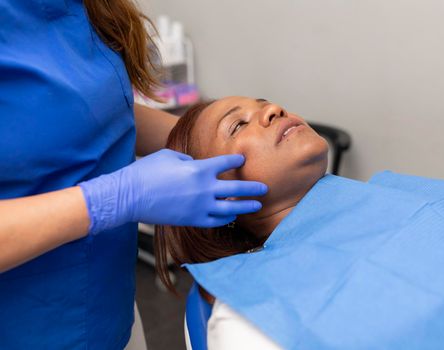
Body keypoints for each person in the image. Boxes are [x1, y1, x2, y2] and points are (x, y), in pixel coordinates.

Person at [155, 96, 444, 349]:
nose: (272, 110)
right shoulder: (254, 316)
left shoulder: (403, 195)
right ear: (216, 192)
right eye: (237, 126)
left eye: (264, 102)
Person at [0, 2, 267, 349]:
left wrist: (212, 143)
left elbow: (77, 114)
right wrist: (113, 199)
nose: (272, 113)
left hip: (109, 310)